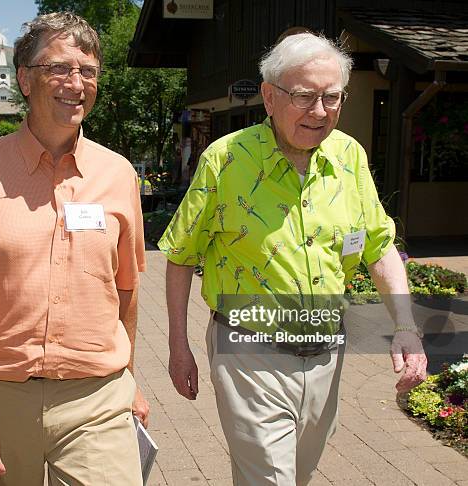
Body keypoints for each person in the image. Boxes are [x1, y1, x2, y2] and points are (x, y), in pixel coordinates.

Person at [158, 32, 427, 486]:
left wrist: (406, 327)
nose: (319, 112)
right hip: (248, 348)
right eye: (304, 96)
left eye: (332, 97)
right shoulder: (225, 160)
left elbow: (380, 246)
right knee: (271, 479)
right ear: (269, 96)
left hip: (327, 351)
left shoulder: (349, 156)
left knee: (297, 474)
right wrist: (178, 346)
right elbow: (182, 256)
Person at [0, 12, 148, 486]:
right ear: (23, 79)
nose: (75, 83)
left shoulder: (118, 174)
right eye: (59, 68)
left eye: (88, 71)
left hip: (96, 399)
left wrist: (131, 381)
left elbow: (127, 291)